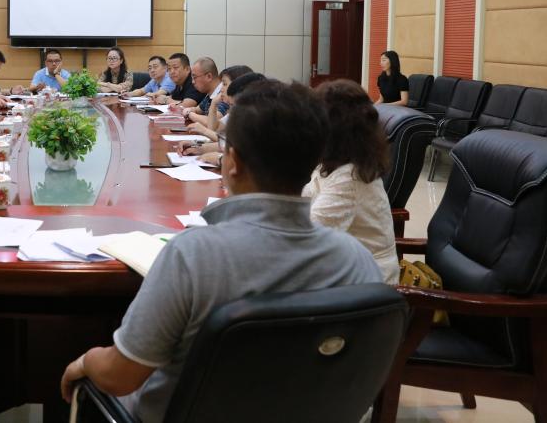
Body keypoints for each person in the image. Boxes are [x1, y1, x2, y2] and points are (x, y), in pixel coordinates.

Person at [59, 80, 380, 420]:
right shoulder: (357, 262)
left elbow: (119, 377)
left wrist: (85, 361)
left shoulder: (192, 257)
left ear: (233, 161)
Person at [304, 80, 400, 284]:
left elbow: (306, 238)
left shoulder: (350, 178)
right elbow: (302, 200)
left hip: (367, 283)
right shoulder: (333, 163)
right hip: (345, 268)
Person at [186, 65, 252, 132]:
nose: (221, 89)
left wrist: (203, 131)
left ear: (238, 86)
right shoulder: (234, 110)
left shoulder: (250, 114)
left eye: (224, 84)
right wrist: (213, 104)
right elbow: (215, 129)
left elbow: (223, 137)